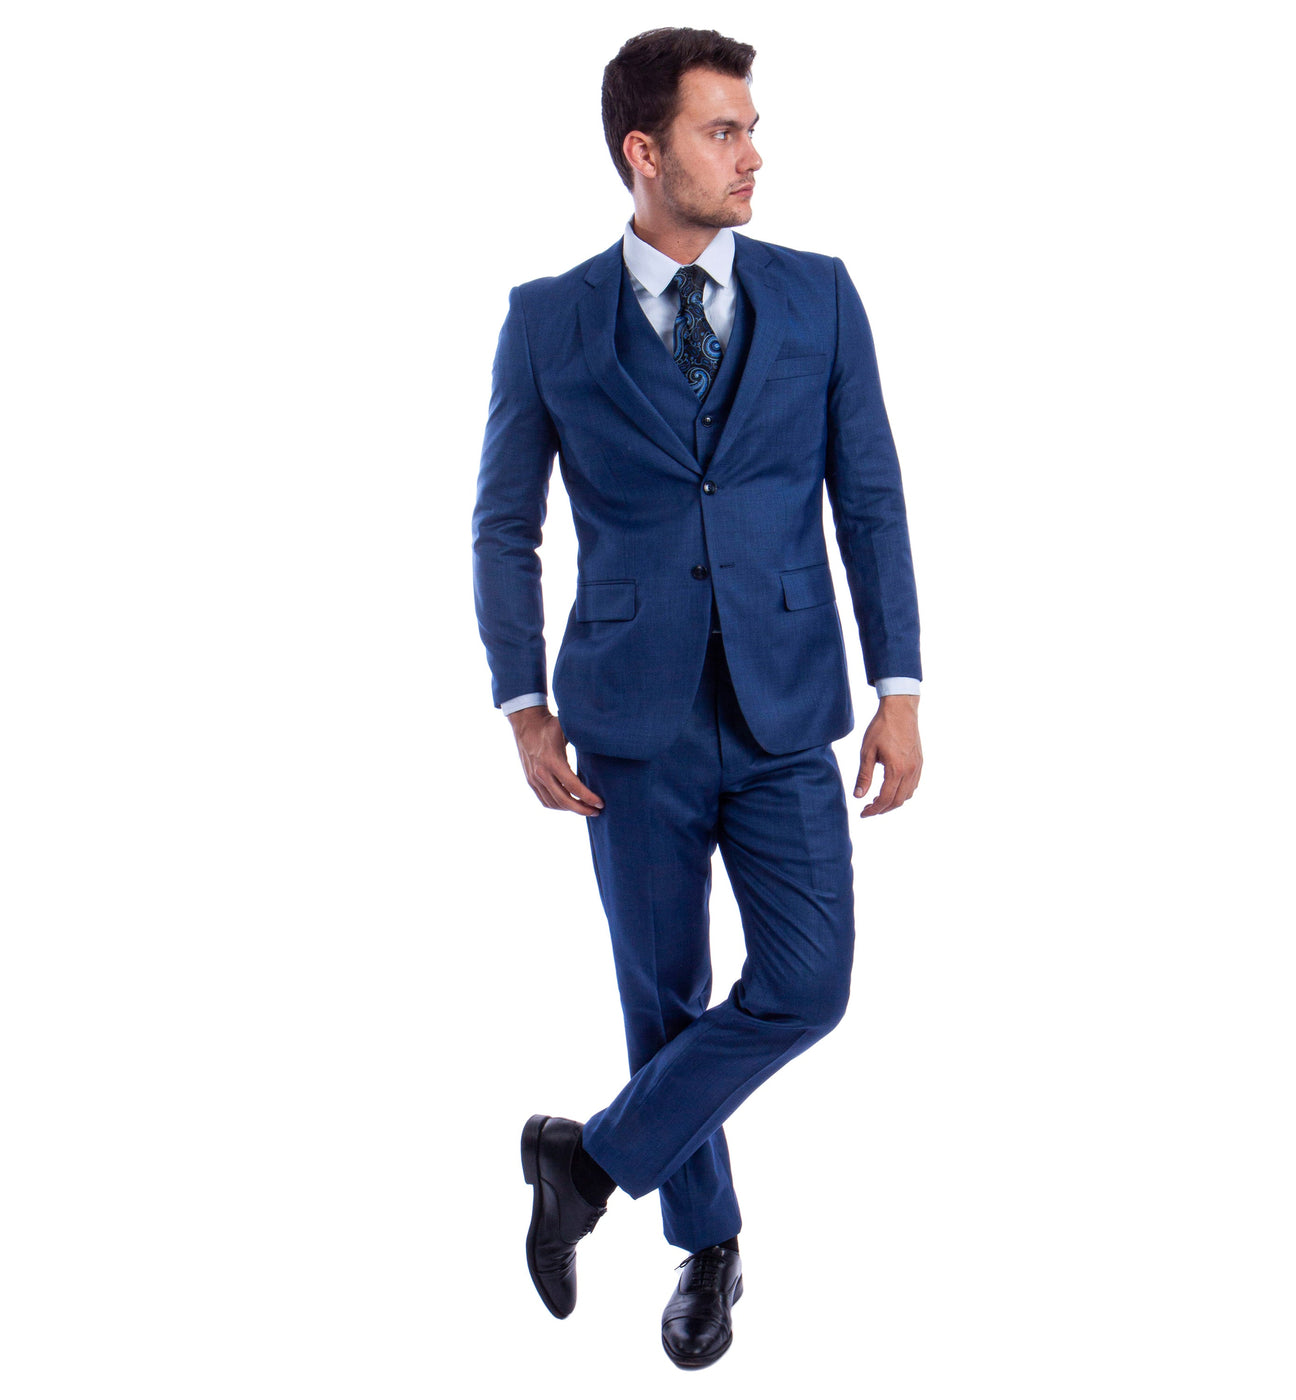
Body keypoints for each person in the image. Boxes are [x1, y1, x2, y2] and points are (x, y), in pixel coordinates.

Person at [472, 26, 922, 1369]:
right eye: (724, 131)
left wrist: (899, 684)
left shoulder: (818, 296)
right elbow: (504, 527)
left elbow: (872, 500)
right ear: (645, 150)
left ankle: (587, 1162)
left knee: (809, 983)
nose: (753, 155)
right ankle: (708, 1245)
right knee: (662, 999)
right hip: (627, 718)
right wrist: (523, 703)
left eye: (752, 128)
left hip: (787, 707)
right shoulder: (549, 320)